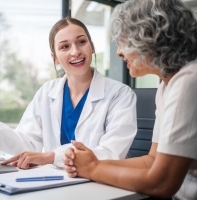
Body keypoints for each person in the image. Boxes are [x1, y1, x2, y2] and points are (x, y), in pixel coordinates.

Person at [0, 17, 137, 170]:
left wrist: (51, 157)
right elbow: (27, 145)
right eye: (64, 46)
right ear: (55, 58)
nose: (75, 51)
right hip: (55, 183)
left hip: (99, 186)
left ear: (92, 46)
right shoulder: (47, 92)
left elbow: (111, 153)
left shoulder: (120, 95)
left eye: (81, 42)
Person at [63, 0, 197, 199]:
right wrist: (93, 163)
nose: (118, 52)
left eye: (124, 41)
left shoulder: (189, 81)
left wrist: (92, 169)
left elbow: (162, 183)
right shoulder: (166, 86)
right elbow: (152, 160)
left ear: (150, 38)